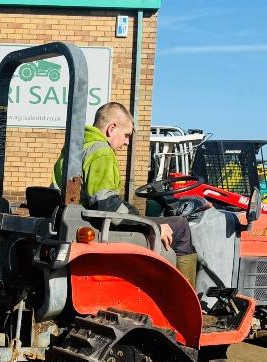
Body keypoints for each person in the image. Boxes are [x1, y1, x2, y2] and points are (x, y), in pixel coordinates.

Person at [52, 102, 199, 285]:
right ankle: (185, 301)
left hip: (75, 220)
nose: (127, 142)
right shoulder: (101, 152)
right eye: (126, 135)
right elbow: (107, 206)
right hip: (98, 226)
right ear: (111, 128)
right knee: (180, 226)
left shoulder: (74, 149)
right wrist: (149, 225)